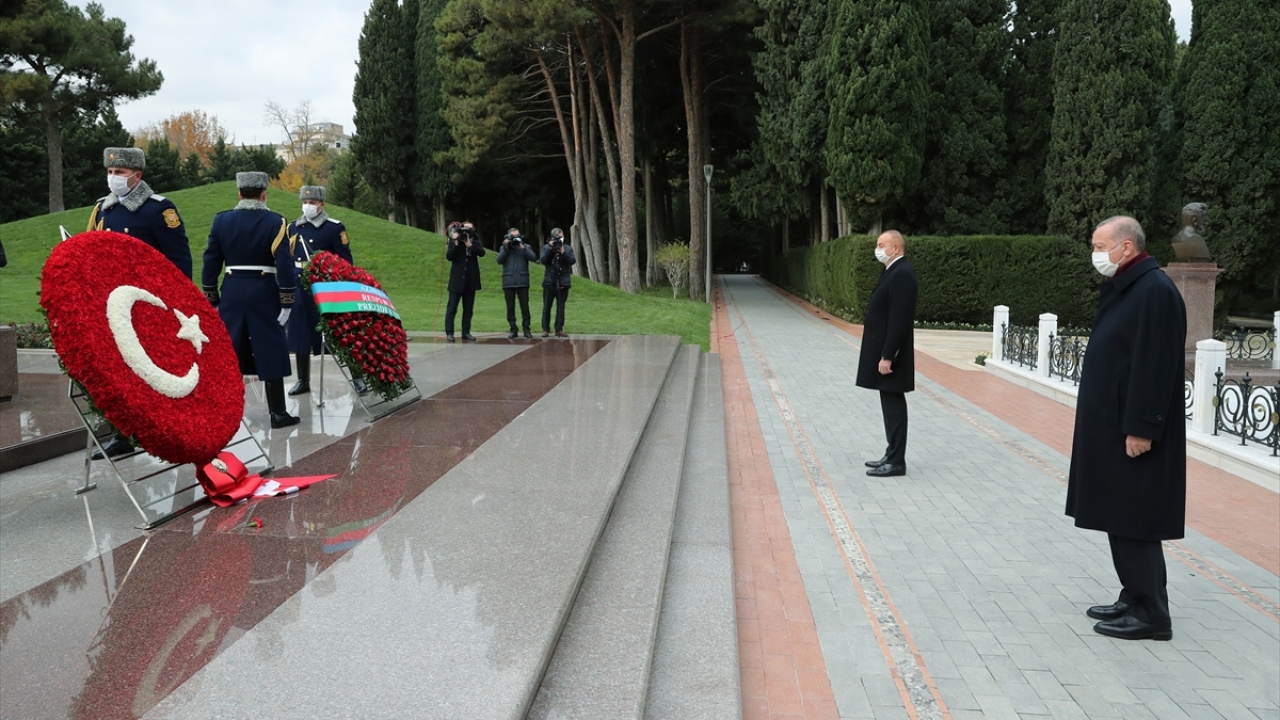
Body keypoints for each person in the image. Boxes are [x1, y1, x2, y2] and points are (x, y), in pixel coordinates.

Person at [1066, 216, 1187, 641]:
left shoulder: (1154, 291)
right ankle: (1135, 596)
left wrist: (1142, 428)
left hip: (1133, 431)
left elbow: (1155, 366)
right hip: (1115, 424)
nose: (1095, 254)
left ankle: (1152, 615)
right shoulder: (1131, 286)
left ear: (1127, 248)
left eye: (1100, 246)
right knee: (1121, 515)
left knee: (1135, 518)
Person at [88, 146, 194, 459]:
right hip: (112, 304)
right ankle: (121, 435)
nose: (113, 178)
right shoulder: (103, 209)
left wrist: (175, 302)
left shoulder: (159, 209)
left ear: (137, 175)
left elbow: (179, 260)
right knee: (117, 369)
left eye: (119, 173)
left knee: (155, 368)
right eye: (110, 172)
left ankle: (171, 427)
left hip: (148, 304)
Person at [201, 172, 300, 429]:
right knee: (271, 347)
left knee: (229, 349)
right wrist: (287, 299)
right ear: (264, 194)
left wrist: (211, 296)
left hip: (232, 289)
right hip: (263, 290)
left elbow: (211, 261)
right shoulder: (275, 221)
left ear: (240, 193)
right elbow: (285, 265)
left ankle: (221, 412)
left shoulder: (221, 220)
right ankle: (278, 412)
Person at [855, 230, 918, 478]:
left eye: (882, 244)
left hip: (892, 354)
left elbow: (899, 319)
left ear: (896, 248)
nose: (877, 249)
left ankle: (896, 461)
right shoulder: (892, 270)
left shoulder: (902, 274)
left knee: (894, 404)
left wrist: (888, 355)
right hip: (885, 350)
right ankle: (891, 453)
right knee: (888, 402)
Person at [286, 185, 356, 396]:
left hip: (325, 288)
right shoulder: (293, 228)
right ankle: (303, 380)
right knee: (299, 334)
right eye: (305, 202)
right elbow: (288, 258)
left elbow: (345, 261)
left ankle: (358, 377)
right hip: (300, 286)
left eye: (313, 203)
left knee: (340, 333)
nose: (308, 206)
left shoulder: (334, 228)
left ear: (321, 204)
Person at [445, 221, 485, 342]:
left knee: (468, 309)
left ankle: (466, 332)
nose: (465, 231)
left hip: (470, 281)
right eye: (464, 228)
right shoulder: (455, 242)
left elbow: (482, 253)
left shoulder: (475, 242)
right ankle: (449, 332)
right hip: (456, 281)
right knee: (452, 308)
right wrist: (456, 242)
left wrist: (469, 244)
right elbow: (449, 256)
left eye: (469, 229)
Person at [496, 227, 536, 339]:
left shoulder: (525, 247)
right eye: (513, 236)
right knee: (510, 307)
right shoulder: (504, 248)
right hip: (508, 282)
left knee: (525, 307)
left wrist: (522, 248)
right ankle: (513, 329)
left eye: (517, 236)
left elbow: (533, 257)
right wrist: (505, 247)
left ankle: (526, 329)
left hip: (522, 281)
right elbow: (499, 260)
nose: (515, 239)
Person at [539, 227, 576, 338]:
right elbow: (544, 261)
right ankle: (545, 329)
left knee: (560, 307)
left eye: (561, 236)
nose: (559, 239)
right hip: (550, 281)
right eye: (557, 237)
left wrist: (563, 253)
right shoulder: (546, 248)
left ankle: (559, 329)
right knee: (547, 306)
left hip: (563, 281)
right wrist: (551, 249)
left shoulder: (568, 248)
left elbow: (572, 261)